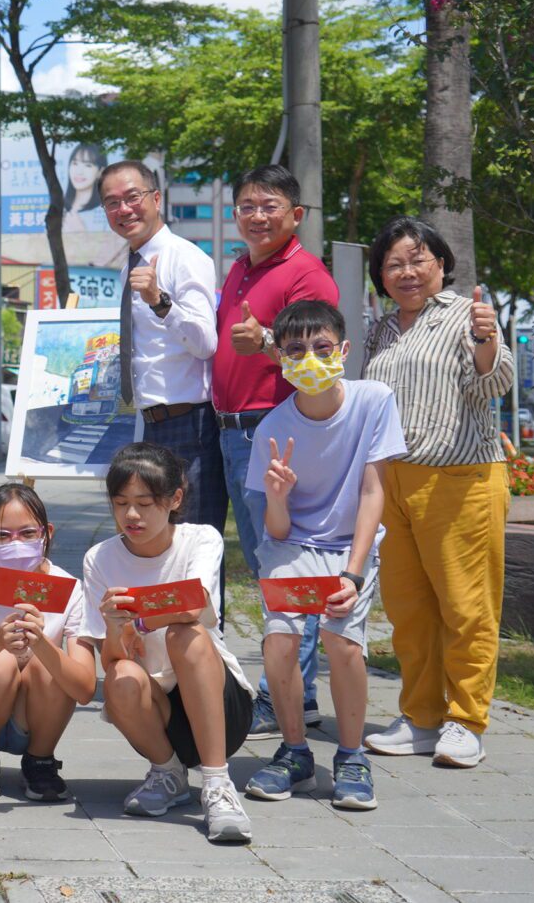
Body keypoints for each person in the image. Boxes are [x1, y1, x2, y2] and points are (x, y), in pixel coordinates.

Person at [360, 217, 514, 770]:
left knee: (466, 607)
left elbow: (496, 381)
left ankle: (466, 720)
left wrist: (486, 340)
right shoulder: (379, 331)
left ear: (442, 264)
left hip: (460, 478)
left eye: (418, 260)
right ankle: (421, 718)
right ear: (380, 274)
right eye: (394, 263)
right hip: (393, 481)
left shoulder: (465, 318)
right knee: (409, 609)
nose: (407, 272)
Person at [242, 301, 402, 811]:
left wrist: (353, 574)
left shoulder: (374, 400)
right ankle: (294, 752)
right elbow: (276, 531)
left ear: (344, 350)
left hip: (348, 549)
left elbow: (373, 494)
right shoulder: (270, 428)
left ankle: (352, 756)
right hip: (292, 546)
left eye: (321, 347)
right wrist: (278, 495)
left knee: (342, 640)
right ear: (281, 358)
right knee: (280, 640)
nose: (309, 357)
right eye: (295, 349)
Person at [212, 163, 339, 738]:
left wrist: (265, 342)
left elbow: (319, 358)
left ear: (296, 215)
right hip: (232, 430)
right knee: (269, 565)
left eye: (269, 206)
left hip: (274, 430)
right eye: (246, 206)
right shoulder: (241, 267)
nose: (257, 216)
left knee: (287, 565)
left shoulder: (306, 275)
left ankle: (286, 696)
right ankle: (296, 696)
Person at [80, 442, 254, 845]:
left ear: (175, 499)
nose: (132, 515)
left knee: (185, 635)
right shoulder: (99, 559)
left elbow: (194, 606)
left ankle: (217, 783)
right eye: (121, 503)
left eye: (145, 502)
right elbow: (110, 661)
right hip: (156, 710)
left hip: (222, 708)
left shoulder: (201, 539)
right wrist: (111, 624)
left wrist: (136, 620)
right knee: (121, 675)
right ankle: (168, 773)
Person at [0, 482, 95, 805]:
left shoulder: (69, 588)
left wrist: (41, 645)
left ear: (46, 533)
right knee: (0, 661)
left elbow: (84, 688)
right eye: (1, 536)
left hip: (37, 711)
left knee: (50, 666)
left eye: (27, 533)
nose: (15, 544)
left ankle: (41, 762)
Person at [100, 160, 225, 554]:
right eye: (112, 202)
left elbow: (206, 342)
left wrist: (159, 301)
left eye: (132, 197)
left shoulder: (185, 257)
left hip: (190, 423)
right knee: (158, 548)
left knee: (193, 548)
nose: (124, 210)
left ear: (156, 199)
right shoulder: (129, 267)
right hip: (149, 425)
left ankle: (206, 619)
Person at [63, 143, 105, 230]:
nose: (79, 172)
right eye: (75, 163)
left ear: (100, 171)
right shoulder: (60, 209)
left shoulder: (104, 212)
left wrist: (81, 231)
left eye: (88, 165)